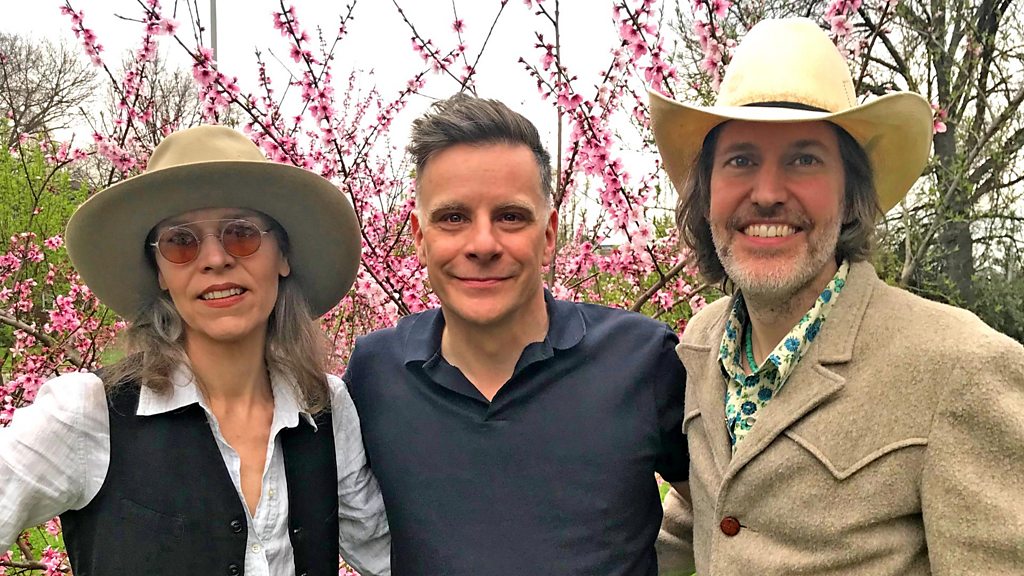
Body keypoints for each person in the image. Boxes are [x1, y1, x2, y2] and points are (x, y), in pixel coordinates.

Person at [649, 17, 1024, 576]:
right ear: (706, 194)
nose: (767, 193)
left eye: (804, 159)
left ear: (851, 195)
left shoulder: (960, 368)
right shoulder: (702, 341)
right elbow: (708, 511)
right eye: (741, 160)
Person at [0, 125, 391, 575]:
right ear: (160, 273)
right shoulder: (87, 412)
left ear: (282, 257)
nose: (215, 259)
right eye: (181, 242)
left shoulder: (325, 408)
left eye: (241, 233)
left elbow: (387, 557)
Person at [343, 93, 688, 575]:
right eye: (453, 218)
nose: (483, 244)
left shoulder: (643, 359)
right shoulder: (374, 374)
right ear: (419, 237)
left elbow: (732, 513)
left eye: (510, 216)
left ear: (548, 235)